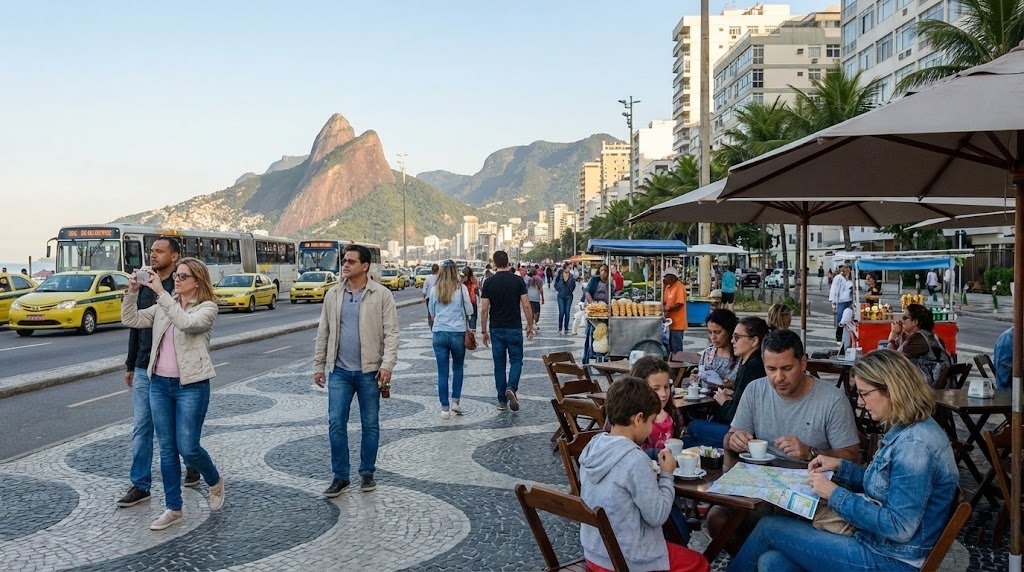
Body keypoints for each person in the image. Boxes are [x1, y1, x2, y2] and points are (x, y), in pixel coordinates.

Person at [729, 350, 959, 572]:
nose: (860, 402)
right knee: (773, 563)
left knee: (769, 528)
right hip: (880, 545)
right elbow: (887, 484)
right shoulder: (910, 428)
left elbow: (898, 527)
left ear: (891, 390)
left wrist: (834, 493)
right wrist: (840, 468)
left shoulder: (915, 445)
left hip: (892, 558)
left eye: (864, 393)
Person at [120, 257, 222, 531]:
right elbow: (130, 318)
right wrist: (132, 291)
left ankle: (214, 479)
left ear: (197, 281)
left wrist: (162, 294)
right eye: (176, 276)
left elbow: (187, 323)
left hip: (192, 386)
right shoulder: (164, 306)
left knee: (188, 447)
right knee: (166, 449)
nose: (176, 280)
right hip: (159, 385)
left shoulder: (207, 308)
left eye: (182, 277)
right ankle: (173, 508)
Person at [579, 376, 709, 572]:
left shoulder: (593, 446)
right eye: (650, 421)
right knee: (700, 563)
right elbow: (657, 516)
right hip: (626, 559)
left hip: (595, 552)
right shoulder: (634, 459)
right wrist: (666, 475)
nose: (650, 429)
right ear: (638, 418)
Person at [117, 237, 199, 509]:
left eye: (159, 251)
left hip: (175, 370)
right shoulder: (144, 282)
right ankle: (140, 484)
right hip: (145, 366)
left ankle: (192, 463)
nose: (152, 255)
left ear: (174, 256)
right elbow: (136, 324)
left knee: (177, 430)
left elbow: (188, 322)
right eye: (151, 251)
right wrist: (131, 364)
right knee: (142, 427)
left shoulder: (179, 284)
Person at [313, 244, 399, 497]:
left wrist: (387, 365)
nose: (345, 265)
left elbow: (391, 333)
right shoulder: (333, 294)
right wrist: (319, 365)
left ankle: (367, 473)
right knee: (335, 423)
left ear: (365, 266)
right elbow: (323, 332)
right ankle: (340, 476)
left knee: (370, 424)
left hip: (369, 371)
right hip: (339, 371)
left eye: (351, 261)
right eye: (344, 261)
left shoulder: (381, 294)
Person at [725, 329, 860, 463]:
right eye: (771, 369)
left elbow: (852, 457)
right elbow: (729, 438)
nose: (779, 378)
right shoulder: (754, 390)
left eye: (787, 369)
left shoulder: (833, 400)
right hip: (763, 474)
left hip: (813, 478)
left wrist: (810, 452)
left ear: (803, 363)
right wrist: (733, 441)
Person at [688, 317, 767, 448]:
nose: (732, 341)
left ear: (754, 341)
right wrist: (733, 393)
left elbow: (737, 417)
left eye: (737, 337)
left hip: (746, 435)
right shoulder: (750, 363)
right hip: (747, 431)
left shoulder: (752, 367)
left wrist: (724, 401)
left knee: (693, 427)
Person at [480, 250, 535, 411]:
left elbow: (484, 309)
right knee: (516, 361)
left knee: (499, 365)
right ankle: (511, 387)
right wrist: (530, 325)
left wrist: (483, 331)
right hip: (514, 327)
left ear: (494, 263)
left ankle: (502, 401)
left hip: (496, 328)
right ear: (508, 262)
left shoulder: (489, 283)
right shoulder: (517, 281)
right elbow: (526, 304)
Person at [429, 261, 473, 420]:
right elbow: (470, 310)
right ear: (456, 272)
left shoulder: (435, 289)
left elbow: (431, 311)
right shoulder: (462, 289)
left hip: (439, 333)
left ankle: (444, 408)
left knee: (442, 372)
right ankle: (455, 401)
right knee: (458, 368)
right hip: (457, 332)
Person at [887, 303, 951, 387]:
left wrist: (893, 335)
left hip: (929, 385)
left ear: (915, 322)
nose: (901, 321)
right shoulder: (927, 334)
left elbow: (889, 358)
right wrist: (900, 335)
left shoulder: (918, 338)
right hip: (937, 381)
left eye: (904, 318)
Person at [691, 309, 740, 387]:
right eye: (710, 332)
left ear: (730, 331)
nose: (713, 337)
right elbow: (701, 376)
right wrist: (696, 379)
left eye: (717, 332)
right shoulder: (707, 353)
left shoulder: (739, 356)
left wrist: (730, 385)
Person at [583, 264, 612, 363]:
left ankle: (604, 354)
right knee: (591, 333)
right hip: (594, 312)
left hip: (605, 311)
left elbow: (613, 293)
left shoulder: (610, 282)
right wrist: (593, 304)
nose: (603, 272)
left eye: (605, 270)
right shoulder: (594, 280)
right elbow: (587, 292)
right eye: (601, 270)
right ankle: (586, 358)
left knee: (605, 334)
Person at [662, 268, 688, 354]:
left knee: (676, 346)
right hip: (669, 322)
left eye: (666, 277)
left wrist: (668, 309)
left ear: (672, 277)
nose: (664, 279)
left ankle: (679, 364)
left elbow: (680, 304)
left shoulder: (679, 287)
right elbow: (665, 301)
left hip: (678, 323)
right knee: (669, 347)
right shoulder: (668, 287)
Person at [829, 265, 853, 342]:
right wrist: (833, 302)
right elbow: (834, 289)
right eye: (845, 268)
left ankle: (847, 336)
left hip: (849, 300)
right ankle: (839, 336)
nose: (847, 270)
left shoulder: (850, 278)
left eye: (848, 269)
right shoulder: (838, 278)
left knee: (849, 319)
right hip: (841, 301)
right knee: (840, 320)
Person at [554, 262, 577, 335]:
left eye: (570, 268)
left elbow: (574, 285)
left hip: (569, 296)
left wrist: (571, 290)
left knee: (567, 312)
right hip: (561, 295)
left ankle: (566, 327)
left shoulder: (571, 276)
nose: (569, 269)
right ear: (565, 267)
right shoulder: (560, 275)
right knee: (561, 312)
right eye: (568, 268)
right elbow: (556, 283)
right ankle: (560, 327)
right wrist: (558, 289)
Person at [461, 266, 480, 331]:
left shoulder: (462, 281)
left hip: (463, 302)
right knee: (473, 318)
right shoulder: (474, 280)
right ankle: (472, 333)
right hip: (473, 301)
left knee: (464, 319)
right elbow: (477, 290)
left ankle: (465, 332)